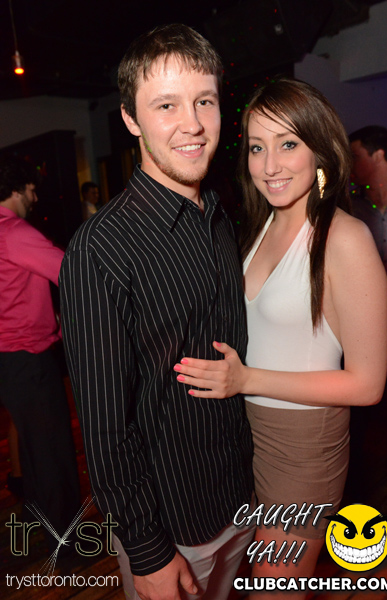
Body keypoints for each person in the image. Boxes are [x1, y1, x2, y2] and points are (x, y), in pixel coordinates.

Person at [59, 24, 254, 600]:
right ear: (130, 119)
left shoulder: (219, 216)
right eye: (166, 105)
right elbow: (105, 426)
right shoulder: (100, 250)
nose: (192, 123)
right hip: (175, 528)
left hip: (244, 499)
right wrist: (146, 548)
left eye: (204, 101)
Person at [174, 79, 387, 598]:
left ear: (320, 148)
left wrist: (245, 379)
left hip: (303, 446)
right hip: (247, 434)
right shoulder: (261, 226)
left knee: (274, 589)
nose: (269, 165)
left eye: (288, 144)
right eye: (256, 147)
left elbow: (367, 385)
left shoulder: (344, 238)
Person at [0, 155, 81, 554]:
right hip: (29, 357)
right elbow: (72, 271)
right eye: (31, 190)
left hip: (9, 357)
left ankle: (41, 521)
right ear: (17, 189)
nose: (34, 199)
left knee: (35, 450)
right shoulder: (14, 231)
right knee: (53, 452)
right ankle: (66, 542)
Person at [349, 126, 387, 472]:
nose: (351, 165)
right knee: (361, 415)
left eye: (356, 156)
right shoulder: (350, 209)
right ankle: (359, 479)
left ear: (379, 155)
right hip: (363, 329)